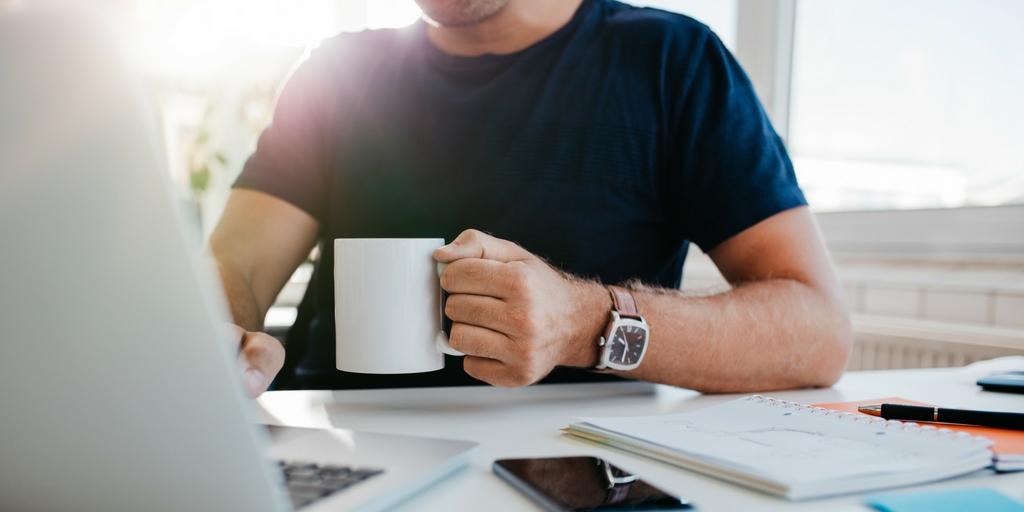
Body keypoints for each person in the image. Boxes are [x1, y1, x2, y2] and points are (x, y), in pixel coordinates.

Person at [210, 0, 852, 397]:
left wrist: (585, 323)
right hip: (345, 456)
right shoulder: (335, 73)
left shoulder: (673, 63)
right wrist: (218, 333)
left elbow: (818, 331)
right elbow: (234, 266)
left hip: (581, 474)